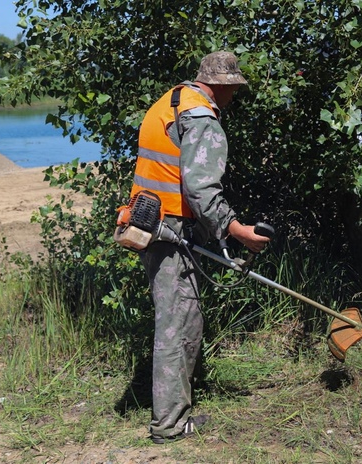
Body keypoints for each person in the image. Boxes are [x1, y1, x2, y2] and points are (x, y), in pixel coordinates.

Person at [130, 51, 270, 444]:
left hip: (151, 224)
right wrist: (237, 229)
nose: (234, 97)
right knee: (177, 327)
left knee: (180, 320)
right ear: (223, 86)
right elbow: (200, 188)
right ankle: (170, 427)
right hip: (172, 232)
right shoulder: (201, 119)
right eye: (234, 90)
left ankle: (176, 414)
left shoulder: (170, 101)